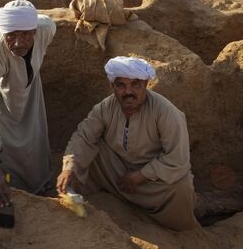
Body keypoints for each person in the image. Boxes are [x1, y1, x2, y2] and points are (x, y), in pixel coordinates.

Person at [56, 56, 198, 231]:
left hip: (151, 180)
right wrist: (69, 167)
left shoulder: (166, 112)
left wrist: (140, 176)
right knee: (83, 157)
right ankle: (78, 195)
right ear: (113, 86)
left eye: (135, 85)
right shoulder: (105, 107)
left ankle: (179, 221)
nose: (128, 92)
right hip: (115, 171)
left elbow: (178, 158)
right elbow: (84, 137)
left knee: (181, 186)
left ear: (146, 84)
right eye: (121, 85)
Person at [0, 0, 56, 207]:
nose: (18, 43)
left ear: (34, 32)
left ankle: (42, 186)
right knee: (7, 147)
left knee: (36, 138)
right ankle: (12, 189)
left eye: (25, 35)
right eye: (11, 35)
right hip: (4, 97)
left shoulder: (46, 29)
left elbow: (46, 21)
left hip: (31, 89)